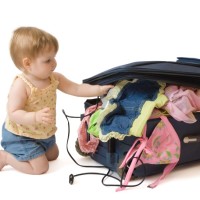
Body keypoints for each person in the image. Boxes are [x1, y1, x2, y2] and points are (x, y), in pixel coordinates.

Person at [0, 27, 113, 175]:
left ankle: (36, 150)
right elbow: (13, 112)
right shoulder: (21, 85)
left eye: (53, 57)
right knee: (40, 168)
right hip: (21, 135)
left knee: (53, 155)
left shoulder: (54, 78)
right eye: (47, 60)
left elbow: (76, 88)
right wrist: (34, 117)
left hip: (43, 133)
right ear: (27, 64)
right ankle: (6, 157)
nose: (54, 63)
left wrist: (99, 90)